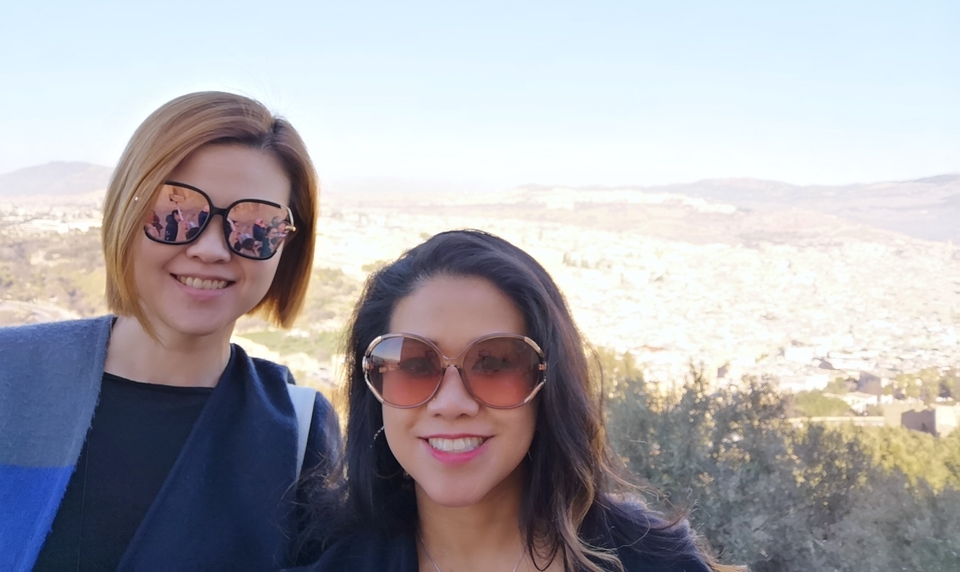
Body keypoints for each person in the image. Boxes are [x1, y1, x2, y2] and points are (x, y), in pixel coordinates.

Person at [0, 91, 339, 572]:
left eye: (255, 226)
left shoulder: (299, 434)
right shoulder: (11, 377)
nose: (211, 248)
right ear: (125, 211)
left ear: (286, 244)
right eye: (174, 210)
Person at [292, 230, 741, 572]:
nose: (451, 403)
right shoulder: (323, 558)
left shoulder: (654, 562)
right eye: (414, 364)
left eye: (496, 364)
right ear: (374, 386)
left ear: (549, 384)